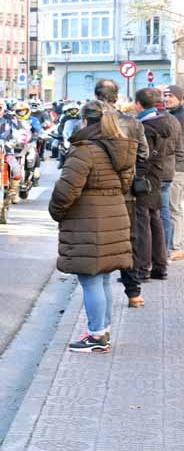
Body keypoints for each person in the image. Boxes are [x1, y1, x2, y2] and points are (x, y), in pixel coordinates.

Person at [48, 101, 137, 353]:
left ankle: (97, 336)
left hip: (88, 219)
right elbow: (125, 183)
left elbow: (67, 189)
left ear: (85, 121)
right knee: (104, 278)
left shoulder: (84, 150)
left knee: (90, 279)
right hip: (114, 214)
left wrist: (56, 212)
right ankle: (104, 329)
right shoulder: (122, 146)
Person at [93, 79, 150, 307]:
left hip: (96, 191)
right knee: (129, 240)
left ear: (97, 96)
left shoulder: (90, 121)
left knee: (98, 238)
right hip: (125, 190)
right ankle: (133, 292)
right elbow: (144, 153)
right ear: (116, 97)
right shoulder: (132, 123)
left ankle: (99, 288)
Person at [133, 87, 180, 284]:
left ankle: (143, 268)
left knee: (143, 220)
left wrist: (137, 178)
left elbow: (144, 156)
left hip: (150, 177)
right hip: (167, 172)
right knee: (157, 219)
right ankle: (160, 266)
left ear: (139, 104)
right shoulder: (171, 120)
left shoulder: (146, 125)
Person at [164, 86, 184, 260]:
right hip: (174, 166)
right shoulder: (172, 115)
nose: (167, 98)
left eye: (171, 96)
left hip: (178, 168)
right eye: (165, 95)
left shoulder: (180, 117)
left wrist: (176, 165)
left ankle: (176, 247)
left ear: (180, 98)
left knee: (174, 207)